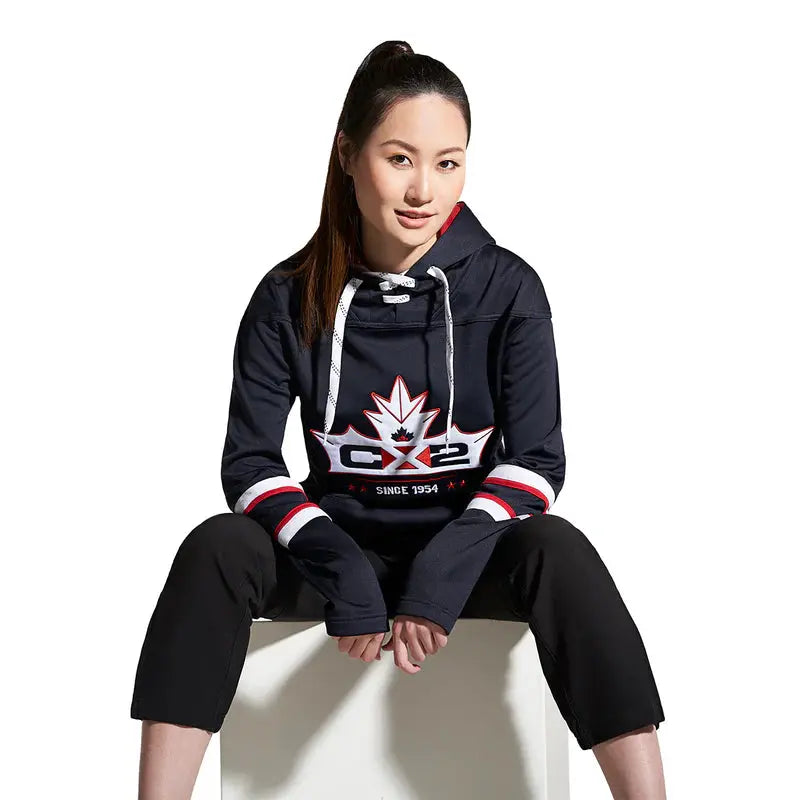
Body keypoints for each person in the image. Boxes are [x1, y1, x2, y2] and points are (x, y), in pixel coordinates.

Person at [130, 40, 667, 800]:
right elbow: (249, 464)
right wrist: (339, 563)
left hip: (467, 558)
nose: (423, 189)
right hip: (332, 556)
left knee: (562, 550)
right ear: (347, 155)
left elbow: (538, 461)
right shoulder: (287, 296)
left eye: (448, 163)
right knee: (214, 548)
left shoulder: (509, 289)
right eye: (399, 159)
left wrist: (442, 573)